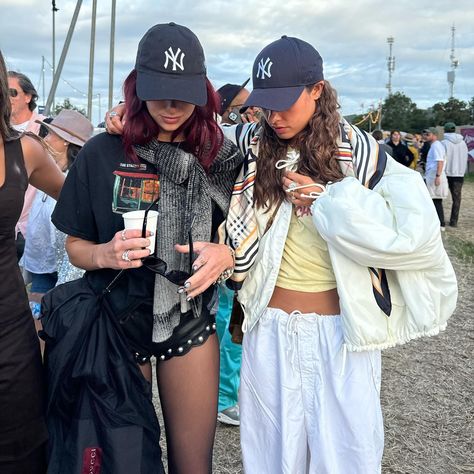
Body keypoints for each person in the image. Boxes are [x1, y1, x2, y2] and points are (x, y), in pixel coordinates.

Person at [220, 36, 456, 473]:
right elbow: (195, 135)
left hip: (342, 335)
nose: (273, 117)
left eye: (285, 103)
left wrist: (330, 200)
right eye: (266, 105)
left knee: (346, 457)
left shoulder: (364, 154)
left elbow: (412, 236)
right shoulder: (252, 143)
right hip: (267, 329)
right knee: (272, 457)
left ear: (317, 90)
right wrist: (126, 118)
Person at [51, 23, 243, 473]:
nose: (171, 107)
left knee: (193, 466)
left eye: (183, 94)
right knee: (122, 462)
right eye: (159, 93)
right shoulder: (103, 151)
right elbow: (75, 245)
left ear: (204, 91)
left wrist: (227, 253)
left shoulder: (224, 158)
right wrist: (104, 254)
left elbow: (248, 231)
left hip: (188, 322)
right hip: (112, 324)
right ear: (137, 86)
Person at [0, 50, 64, 474]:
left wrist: (119, 138)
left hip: (9, 333)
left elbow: (84, 201)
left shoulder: (25, 149)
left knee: (20, 449)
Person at [21, 110, 93, 335]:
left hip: (67, 275)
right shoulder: (45, 175)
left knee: (55, 331)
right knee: (37, 332)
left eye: (50, 134)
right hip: (41, 270)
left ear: (65, 142)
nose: (45, 138)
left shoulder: (77, 181)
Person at [8, 71, 48, 260]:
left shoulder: (46, 128)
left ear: (28, 96)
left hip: (31, 228)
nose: (7, 98)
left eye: (12, 92)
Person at [441, 121, 469, 227]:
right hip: (459, 174)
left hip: (446, 173)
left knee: (439, 198)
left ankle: (440, 219)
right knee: (457, 198)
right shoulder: (463, 143)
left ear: (445, 130)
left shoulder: (444, 143)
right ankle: (454, 221)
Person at [423, 127, 449, 230]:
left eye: (428, 134)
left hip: (435, 175)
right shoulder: (434, 146)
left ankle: (441, 223)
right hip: (432, 175)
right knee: (432, 199)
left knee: (436, 199)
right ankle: (436, 222)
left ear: (434, 135)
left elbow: (440, 162)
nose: (425, 136)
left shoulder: (436, 146)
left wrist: (437, 176)